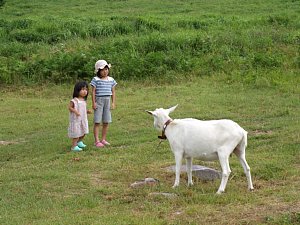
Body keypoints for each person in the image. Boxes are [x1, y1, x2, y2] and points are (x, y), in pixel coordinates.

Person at [90, 59, 117, 148]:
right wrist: (93, 103)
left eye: (106, 69)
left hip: (107, 100)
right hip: (99, 101)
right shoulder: (96, 79)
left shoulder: (111, 80)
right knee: (97, 121)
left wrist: (113, 103)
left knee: (106, 121)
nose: (105, 71)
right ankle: (97, 140)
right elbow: (93, 92)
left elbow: (113, 92)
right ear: (98, 71)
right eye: (102, 70)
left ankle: (103, 139)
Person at [68, 81, 91, 151]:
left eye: (86, 89)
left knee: (84, 132)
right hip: (76, 120)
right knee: (77, 134)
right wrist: (75, 111)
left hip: (83, 119)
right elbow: (70, 107)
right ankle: (73, 146)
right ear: (77, 90)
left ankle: (79, 142)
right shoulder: (74, 100)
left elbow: (82, 109)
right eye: (83, 89)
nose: (85, 91)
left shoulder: (83, 100)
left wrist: (87, 111)